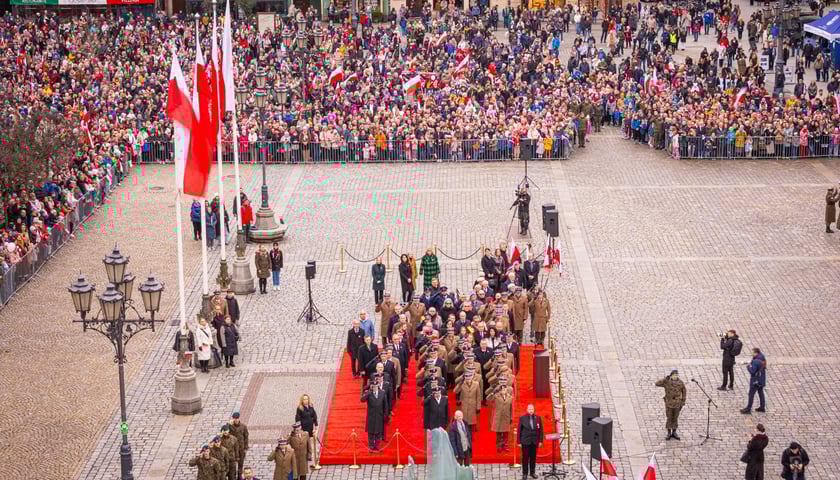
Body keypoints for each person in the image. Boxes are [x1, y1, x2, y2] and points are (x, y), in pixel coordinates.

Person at [655, 369, 686, 440]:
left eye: (676, 375)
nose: (675, 377)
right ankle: (669, 432)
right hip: (669, 403)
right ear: (671, 376)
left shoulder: (680, 383)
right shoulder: (666, 382)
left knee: (675, 417)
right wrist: (665, 378)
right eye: (674, 376)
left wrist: (683, 401)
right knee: (669, 417)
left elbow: (684, 391)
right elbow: (657, 383)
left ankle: (674, 432)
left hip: (677, 404)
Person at [518, 404, 543, 479]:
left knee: (533, 458)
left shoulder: (538, 418)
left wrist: (540, 441)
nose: (531, 411)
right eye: (529, 409)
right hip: (525, 441)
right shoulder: (522, 418)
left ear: (534, 410)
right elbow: (519, 430)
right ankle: (524, 473)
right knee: (525, 458)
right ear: (527, 410)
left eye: (532, 409)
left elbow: (541, 430)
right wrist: (518, 442)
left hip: (534, 442)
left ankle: (532, 472)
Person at [487, 379, 513, 452]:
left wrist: (511, 417)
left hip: (506, 417)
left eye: (505, 389)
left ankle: (505, 445)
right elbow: (488, 399)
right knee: (498, 433)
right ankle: (499, 446)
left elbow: (511, 409)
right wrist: (493, 393)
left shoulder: (510, 397)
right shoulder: (496, 396)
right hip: (498, 417)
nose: (503, 390)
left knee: (505, 433)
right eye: (502, 389)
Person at [361, 382, 387, 451]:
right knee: (371, 431)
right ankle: (371, 446)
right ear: (371, 386)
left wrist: (385, 414)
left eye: (376, 386)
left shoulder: (382, 393)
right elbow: (362, 400)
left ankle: (377, 445)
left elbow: (385, 405)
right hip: (371, 416)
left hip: (379, 415)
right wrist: (368, 393)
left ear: (378, 386)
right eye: (373, 386)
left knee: (378, 431)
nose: (375, 388)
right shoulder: (368, 393)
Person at [741, 347, 767, 414]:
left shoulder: (755, 361)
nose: (751, 353)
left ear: (756, 353)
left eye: (752, 352)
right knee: (761, 393)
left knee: (751, 394)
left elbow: (752, 371)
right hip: (761, 379)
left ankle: (748, 409)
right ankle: (762, 407)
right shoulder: (762, 357)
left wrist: (748, 366)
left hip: (755, 380)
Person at [295, 393, 319, 459]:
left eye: (307, 399)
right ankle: (309, 454)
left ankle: (308, 454)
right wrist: (299, 428)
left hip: (310, 427)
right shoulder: (300, 408)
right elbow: (297, 418)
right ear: (302, 400)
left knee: (308, 441)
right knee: (306, 441)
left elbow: (314, 415)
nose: (306, 400)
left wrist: (316, 424)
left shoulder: (311, 406)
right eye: (304, 399)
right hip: (304, 428)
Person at [228, 412, 249, 479]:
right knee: (233, 464)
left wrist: (245, 448)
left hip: (241, 448)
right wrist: (228, 424)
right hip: (233, 449)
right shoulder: (230, 426)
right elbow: (224, 431)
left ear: (239, 418)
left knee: (241, 463)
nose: (235, 420)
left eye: (237, 418)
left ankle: (239, 476)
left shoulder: (243, 426)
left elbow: (246, 437)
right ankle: (233, 476)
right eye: (234, 418)